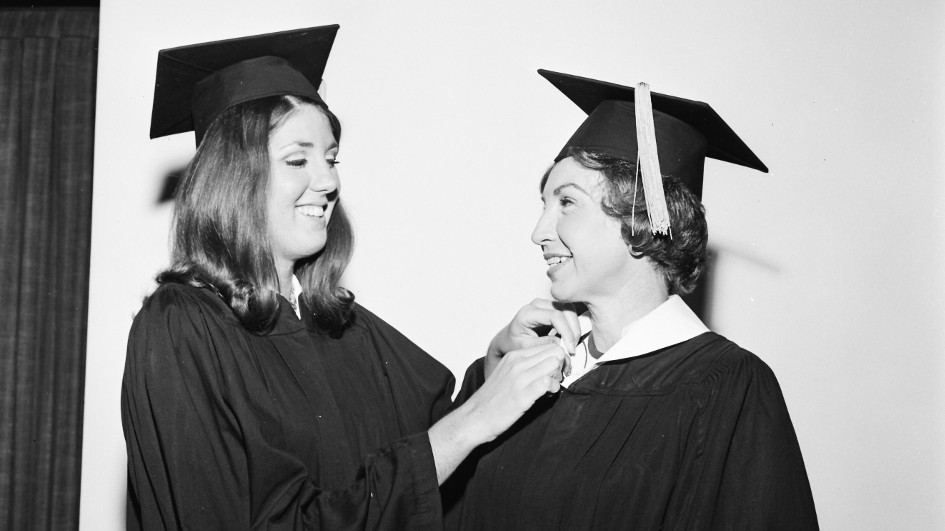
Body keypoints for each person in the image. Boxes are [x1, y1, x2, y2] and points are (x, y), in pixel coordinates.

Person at [121, 27, 574, 530]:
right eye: (298, 159)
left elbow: (434, 449)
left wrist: (499, 361)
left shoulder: (342, 325)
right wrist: (473, 421)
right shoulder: (183, 327)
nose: (330, 181)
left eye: (331, 158)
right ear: (234, 175)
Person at [444, 70, 819, 530]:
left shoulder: (725, 387)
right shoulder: (530, 371)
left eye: (566, 203)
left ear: (641, 218)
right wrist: (489, 370)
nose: (538, 232)